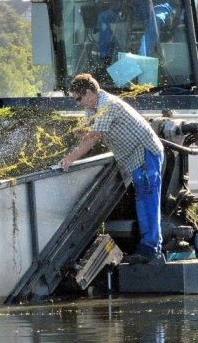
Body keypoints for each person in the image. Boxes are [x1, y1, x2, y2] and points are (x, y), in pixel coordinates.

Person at [58, 73, 165, 263]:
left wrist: (70, 159)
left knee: (148, 200)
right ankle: (148, 247)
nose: (77, 103)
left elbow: (93, 137)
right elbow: (88, 133)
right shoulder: (93, 107)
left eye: (78, 98)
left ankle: (152, 250)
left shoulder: (107, 105)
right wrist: (79, 133)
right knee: (142, 199)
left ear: (90, 92)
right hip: (134, 157)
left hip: (146, 153)